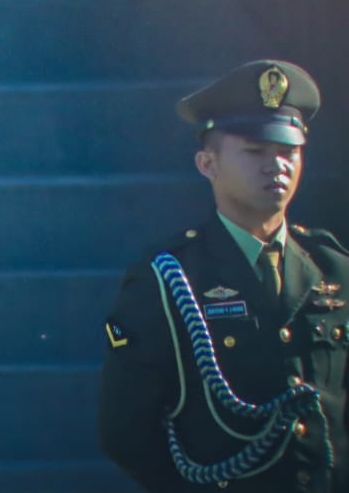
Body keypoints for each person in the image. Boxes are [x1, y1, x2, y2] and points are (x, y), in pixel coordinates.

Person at [98, 59, 349, 492]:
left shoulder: (334, 268)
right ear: (207, 164)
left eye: (289, 151)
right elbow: (125, 431)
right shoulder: (168, 279)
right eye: (255, 151)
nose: (277, 165)